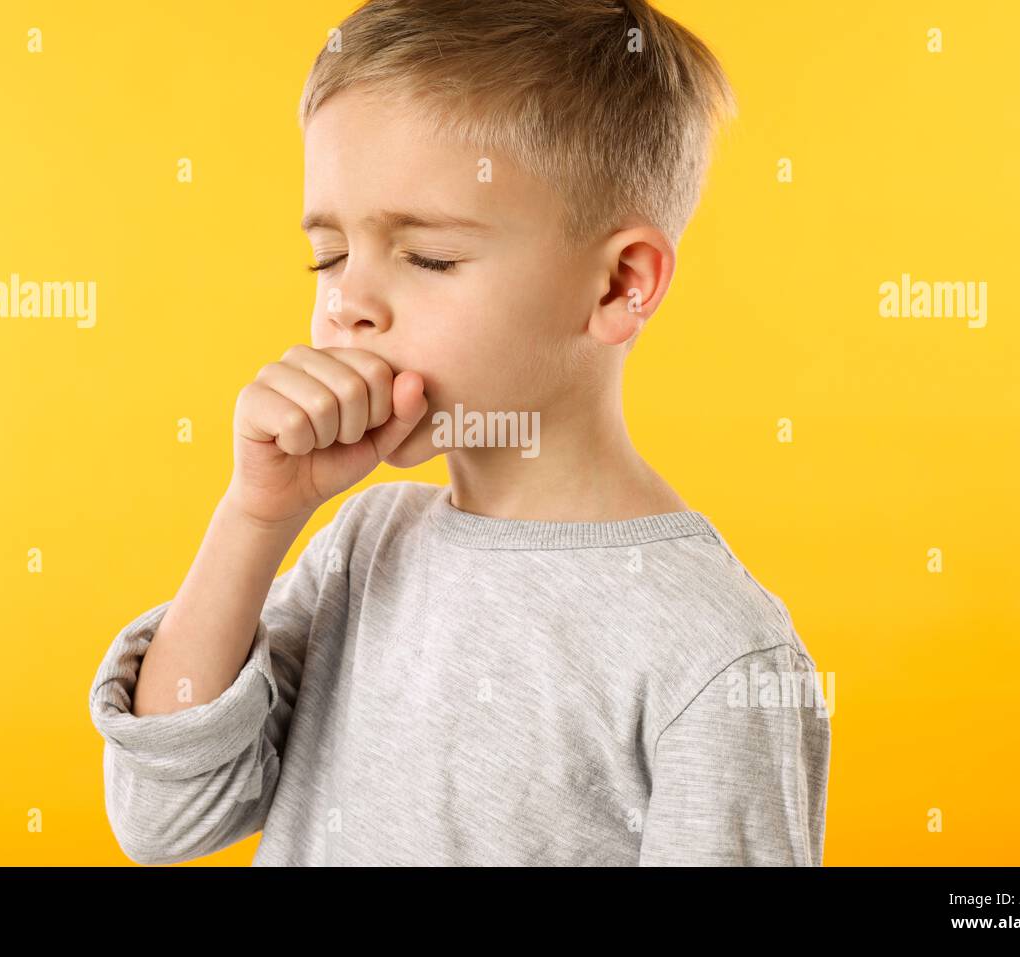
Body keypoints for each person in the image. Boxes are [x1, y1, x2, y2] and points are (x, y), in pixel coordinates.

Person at [88, 0, 830, 866]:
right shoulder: (362, 550)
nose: (345, 303)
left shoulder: (716, 651)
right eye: (329, 255)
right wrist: (256, 518)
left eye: (429, 256)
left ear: (618, 286)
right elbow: (162, 820)